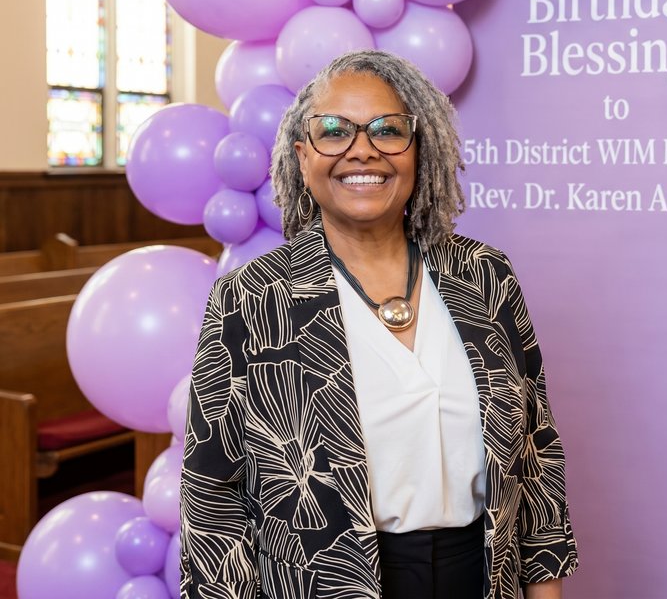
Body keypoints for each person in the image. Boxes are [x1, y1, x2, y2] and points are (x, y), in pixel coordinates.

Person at [180, 49, 578, 599]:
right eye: (334, 131)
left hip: (483, 577)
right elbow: (213, 504)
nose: (362, 149)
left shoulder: (486, 276)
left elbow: (536, 456)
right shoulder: (251, 297)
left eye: (388, 130)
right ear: (302, 157)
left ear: (419, 151)